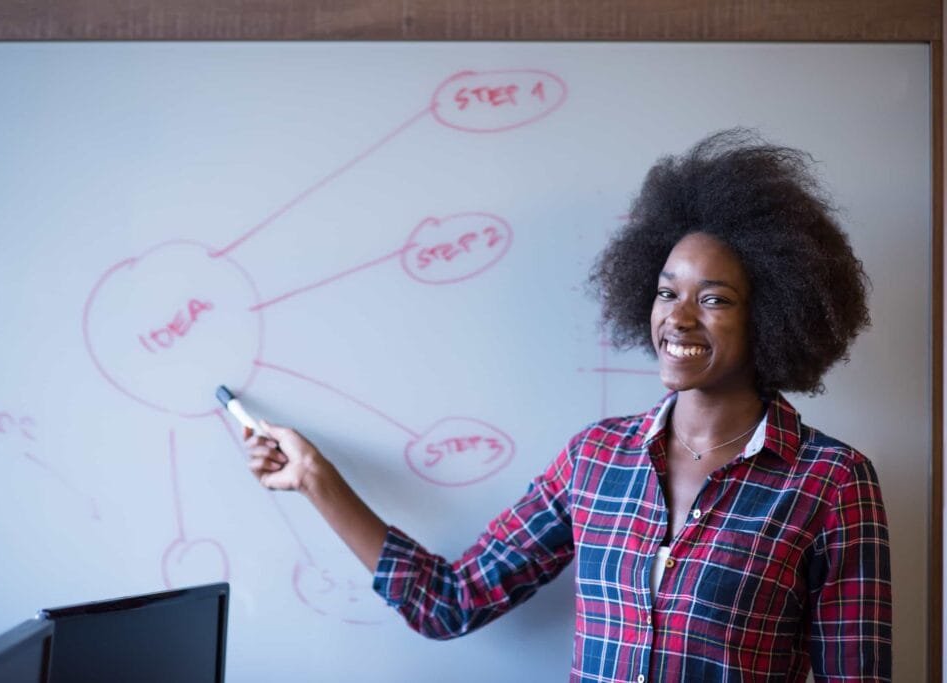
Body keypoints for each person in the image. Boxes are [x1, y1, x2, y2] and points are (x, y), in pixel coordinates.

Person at [243, 129, 892, 682]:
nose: (679, 319)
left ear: (774, 314)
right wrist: (315, 479)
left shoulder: (832, 484)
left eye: (714, 298)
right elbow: (451, 601)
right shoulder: (595, 459)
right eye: (668, 293)